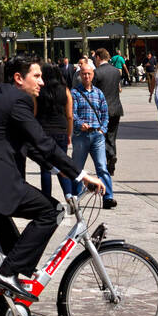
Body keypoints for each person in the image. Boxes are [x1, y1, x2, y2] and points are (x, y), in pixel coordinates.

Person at [0, 56, 104, 311]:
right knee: (50, 211)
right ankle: (7, 276)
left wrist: (56, 169)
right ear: (19, 79)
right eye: (36, 76)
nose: (42, 82)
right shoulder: (18, 100)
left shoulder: (5, 98)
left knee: (10, 253)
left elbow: (28, 146)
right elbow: (43, 142)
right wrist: (80, 174)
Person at [71, 58, 115, 208]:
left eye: (89, 74)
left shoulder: (98, 93)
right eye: (84, 74)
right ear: (80, 76)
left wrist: (103, 129)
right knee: (77, 168)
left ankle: (108, 197)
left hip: (97, 135)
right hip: (80, 136)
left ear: (93, 75)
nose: (86, 77)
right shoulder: (75, 93)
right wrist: (79, 124)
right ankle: (75, 198)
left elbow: (105, 113)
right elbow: (72, 113)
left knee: (102, 167)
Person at [34, 62, 73, 199]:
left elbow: (34, 113)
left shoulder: (39, 91)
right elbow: (69, 115)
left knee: (45, 168)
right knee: (62, 165)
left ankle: (47, 198)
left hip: (44, 131)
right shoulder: (65, 90)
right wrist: (69, 133)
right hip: (61, 130)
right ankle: (68, 195)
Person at [93, 47, 124, 178]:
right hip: (116, 108)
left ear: (99, 57)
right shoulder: (116, 72)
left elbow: (93, 91)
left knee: (101, 137)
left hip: (102, 110)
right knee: (112, 137)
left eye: (95, 58)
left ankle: (110, 157)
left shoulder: (97, 72)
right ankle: (112, 161)